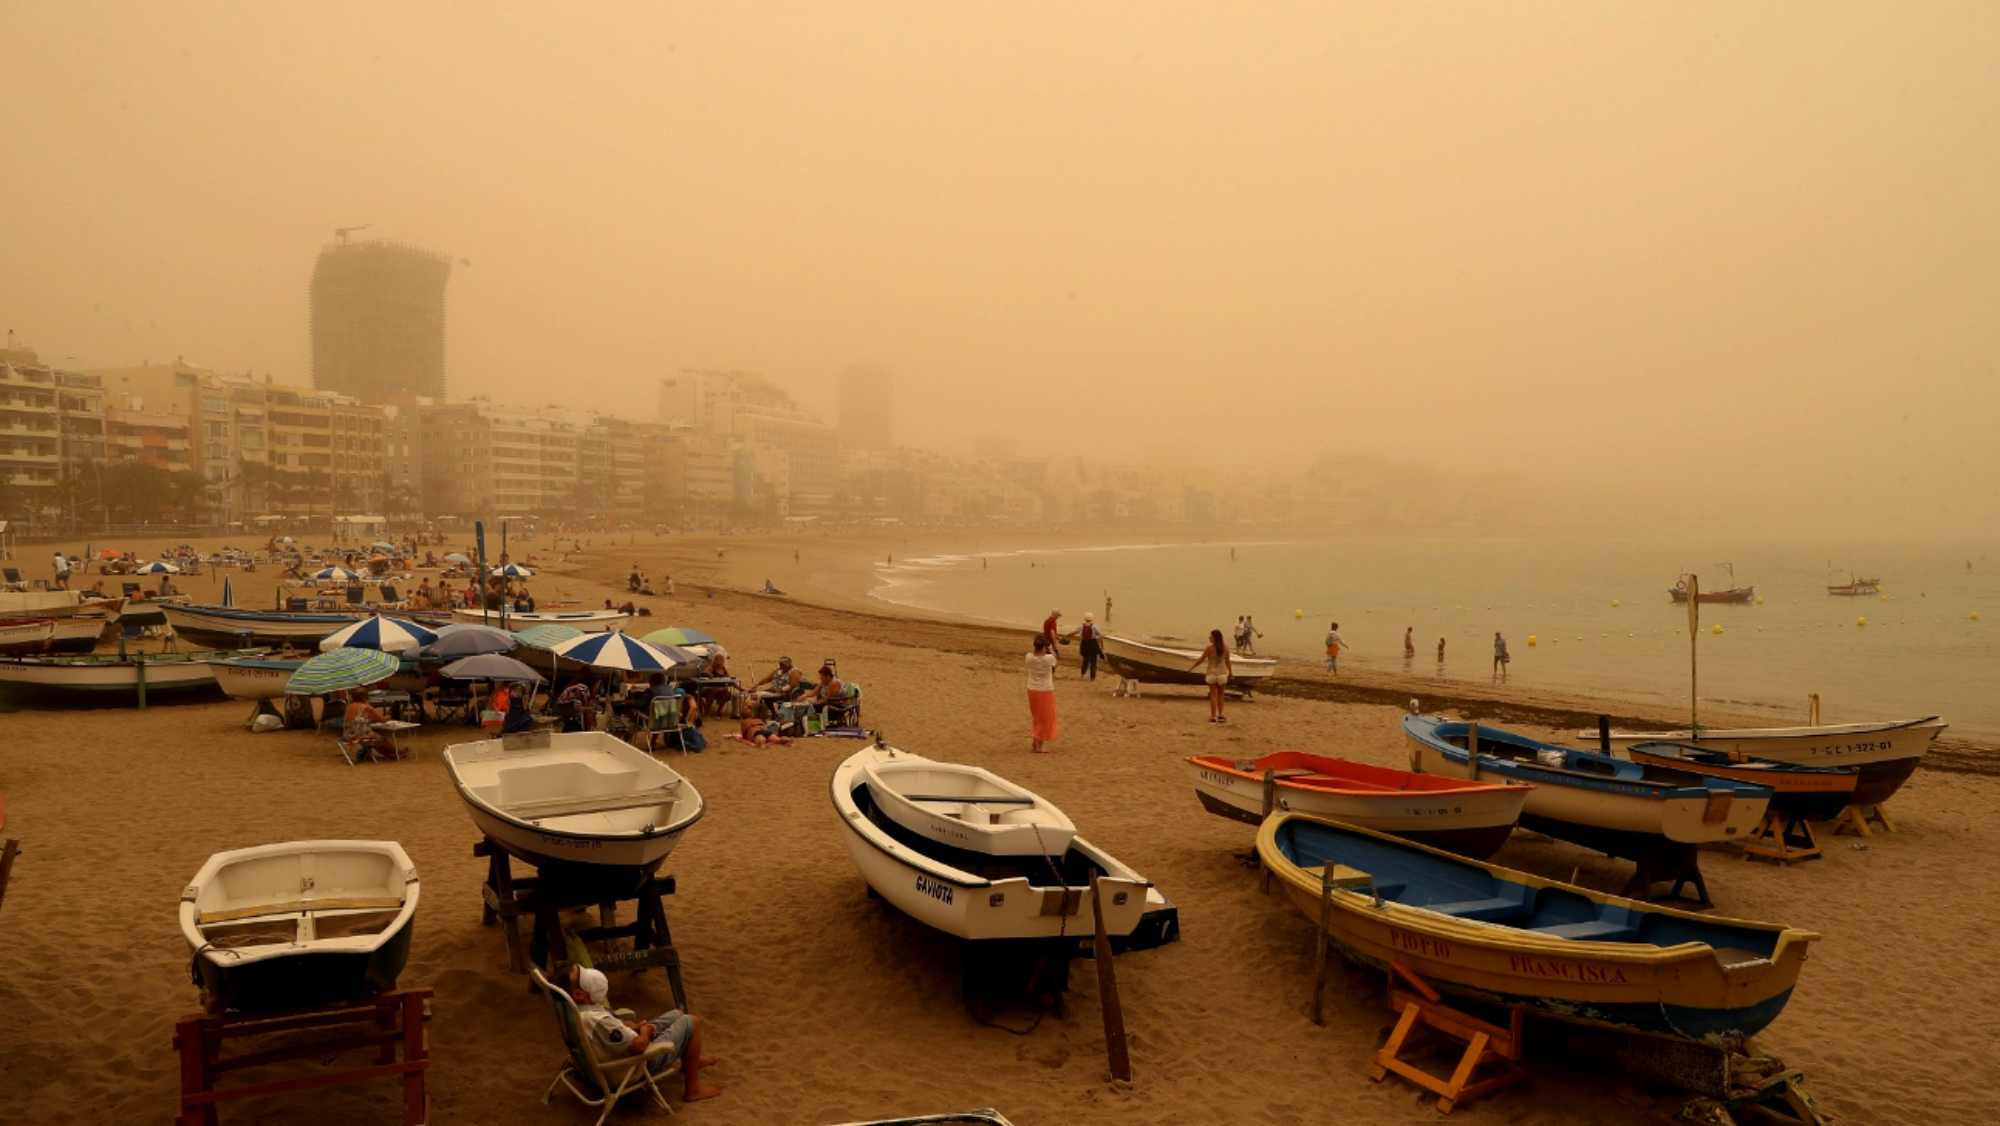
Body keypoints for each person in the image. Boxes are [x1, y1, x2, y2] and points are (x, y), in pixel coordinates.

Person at [550, 962, 722, 1102]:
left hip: (616, 1050)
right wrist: (645, 1033)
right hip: (636, 1064)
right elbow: (638, 1047)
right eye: (585, 978)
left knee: (678, 1014)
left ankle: (689, 1061)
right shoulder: (597, 1021)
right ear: (579, 994)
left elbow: (610, 1028)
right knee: (692, 1021)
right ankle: (693, 1090)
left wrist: (635, 1027)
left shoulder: (572, 1008)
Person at [1188, 628, 1232, 723]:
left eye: (1211, 636)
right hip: (1222, 674)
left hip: (1212, 673)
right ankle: (1220, 714)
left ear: (1215, 638)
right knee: (1220, 695)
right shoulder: (1226, 648)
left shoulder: (1209, 649)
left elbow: (1201, 660)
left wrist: (1192, 667)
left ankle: (1213, 716)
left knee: (1213, 696)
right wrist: (1231, 672)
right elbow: (1228, 662)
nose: (1209, 638)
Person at [1026, 633, 1059, 753]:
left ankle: (1035, 740)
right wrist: (1051, 650)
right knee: (1045, 718)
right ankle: (1039, 745)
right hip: (1045, 690)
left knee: (1037, 717)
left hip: (1032, 689)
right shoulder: (1048, 659)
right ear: (1044, 647)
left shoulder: (1029, 657)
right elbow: (1055, 662)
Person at [342, 688, 393, 759]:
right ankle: (396, 752)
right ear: (364, 697)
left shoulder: (349, 706)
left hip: (347, 736)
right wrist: (389, 716)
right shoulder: (366, 707)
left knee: (375, 741)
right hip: (359, 735)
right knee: (381, 740)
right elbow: (382, 719)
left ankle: (393, 755)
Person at [1075, 612, 1104, 681]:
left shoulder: (1081, 626)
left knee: (1085, 660)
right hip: (1092, 644)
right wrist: (1101, 644)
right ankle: (1092, 678)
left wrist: (1068, 635)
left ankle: (1082, 675)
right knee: (1093, 661)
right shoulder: (1094, 626)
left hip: (1084, 644)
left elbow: (1075, 632)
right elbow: (1100, 635)